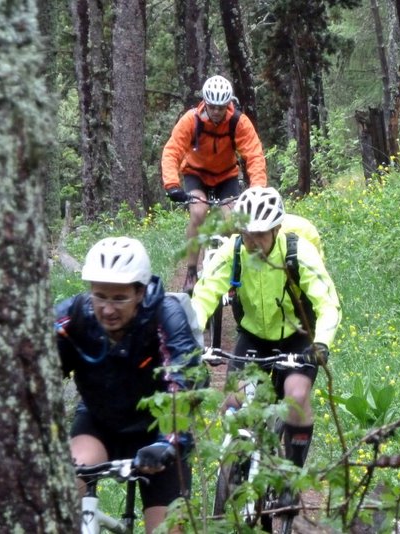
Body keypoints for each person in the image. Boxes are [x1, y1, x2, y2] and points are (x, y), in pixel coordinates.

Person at [190, 187, 341, 507]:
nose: (253, 242)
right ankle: (236, 464)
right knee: (236, 398)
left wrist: (321, 344)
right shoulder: (233, 252)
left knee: (297, 396)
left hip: (299, 339)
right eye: (247, 234)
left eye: (261, 234)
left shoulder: (298, 252)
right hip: (254, 337)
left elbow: (328, 303)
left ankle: (290, 477)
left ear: (276, 229)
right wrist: (191, 340)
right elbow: (204, 296)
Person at [55, 237, 199, 533]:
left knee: (168, 530)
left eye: (119, 298)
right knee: (62, 491)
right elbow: (35, 376)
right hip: (99, 424)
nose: (107, 309)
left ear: (140, 292)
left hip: (159, 432)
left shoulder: (164, 315)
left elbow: (184, 382)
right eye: (100, 296)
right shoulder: (74, 317)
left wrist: (166, 442)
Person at [161, 74, 268, 292]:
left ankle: (230, 269)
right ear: (205, 104)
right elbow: (172, 151)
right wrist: (172, 184)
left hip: (226, 176)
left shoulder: (238, 122)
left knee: (231, 221)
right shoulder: (191, 121)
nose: (217, 111)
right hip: (196, 174)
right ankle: (191, 271)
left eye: (221, 107)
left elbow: (254, 155)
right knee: (198, 213)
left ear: (228, 104)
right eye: (212, 107)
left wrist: (257, 188)